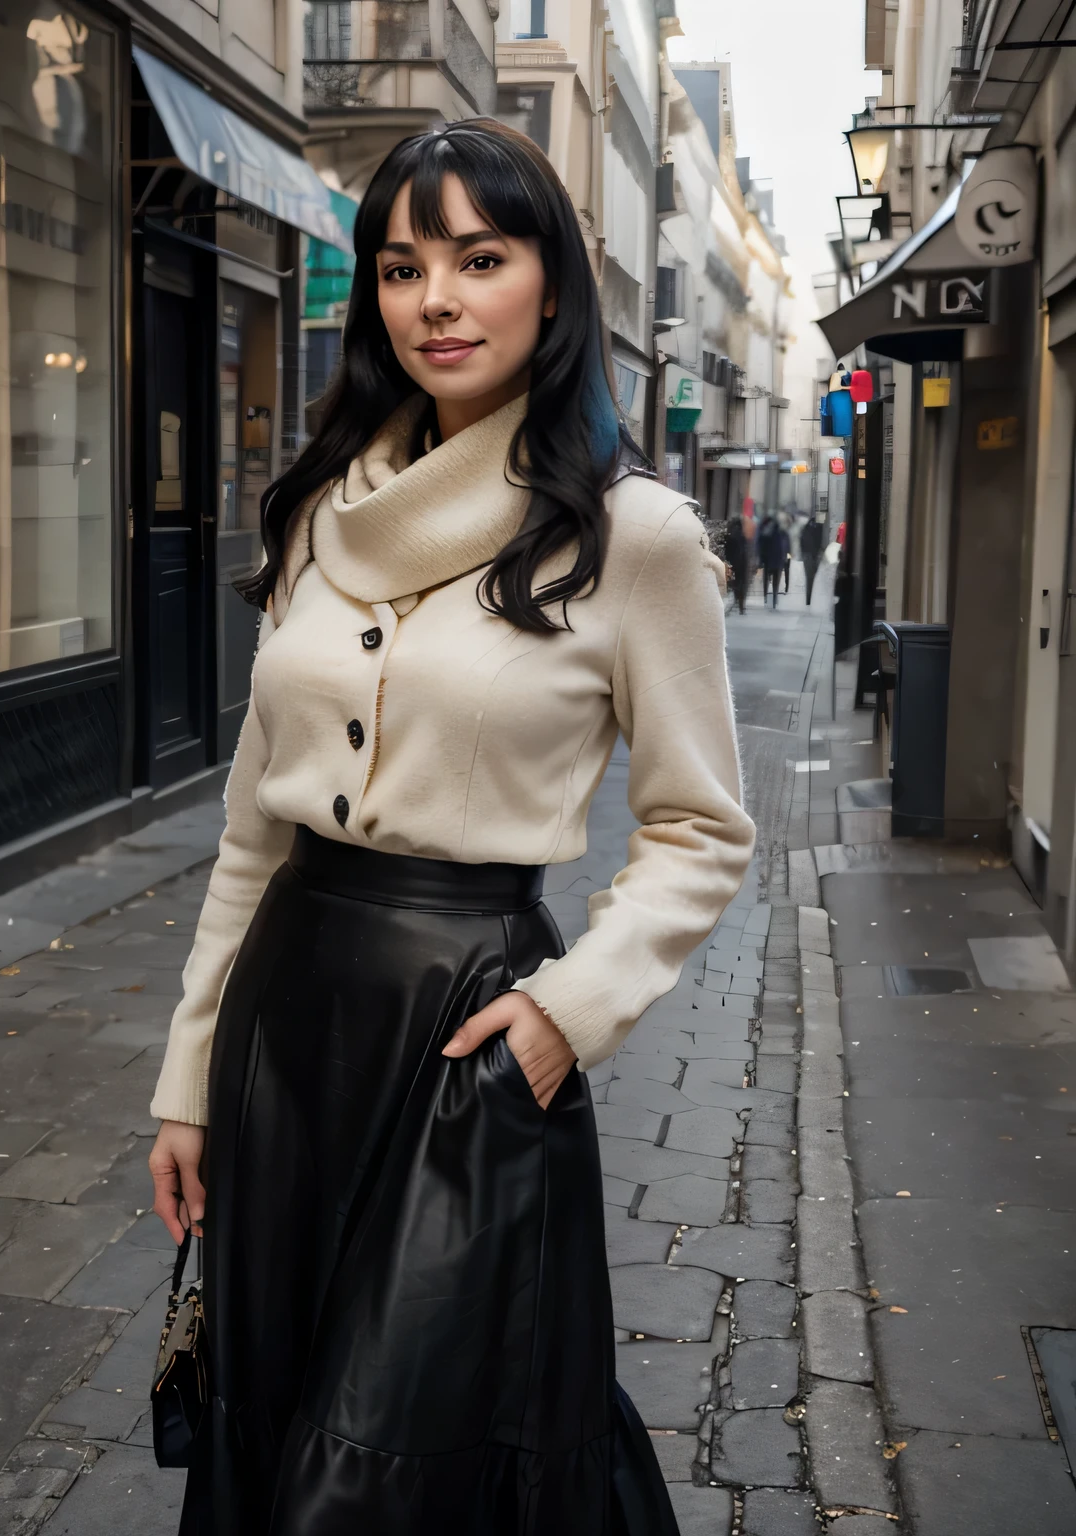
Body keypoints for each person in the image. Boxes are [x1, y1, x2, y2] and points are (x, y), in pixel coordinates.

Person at [147, 121, 754, 1536]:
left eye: (480, 258)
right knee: (282, 1397)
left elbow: (700, 828)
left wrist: (567, 1012)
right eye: (403, 265)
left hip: (469, 1033)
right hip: (285, 1028)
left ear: (553, 285)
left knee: (395, 1458)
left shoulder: (632, 534)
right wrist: (188, 1078)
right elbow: (252, 830)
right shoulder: (321, 512)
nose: (436, 298)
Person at [758, 514, 788, 608]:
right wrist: (785, 556)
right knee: (776, 580)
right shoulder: (782, 532)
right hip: (778, 560)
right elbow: (786, 544)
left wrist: (761, 558)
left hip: (768, 560)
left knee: (766, 579)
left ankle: (765, 596)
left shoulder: (766, 531)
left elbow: (761, 545)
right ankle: (774, 598)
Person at [724, 512, 750, 614]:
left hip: (733, 561)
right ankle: (741, 605)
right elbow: (746, 547)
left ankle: (736, 598)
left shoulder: (730, 534)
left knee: (734, 582)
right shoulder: (743, 533)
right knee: (742, 582)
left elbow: (727, 549)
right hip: (743, 561)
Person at [800, 512, 825, 605]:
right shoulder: (819, 527)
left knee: (809, 577)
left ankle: (809, 599)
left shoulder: (807, 527)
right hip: (813, 554)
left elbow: (802, 540)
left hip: (808, 554)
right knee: (811, 577)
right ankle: (809, 599)